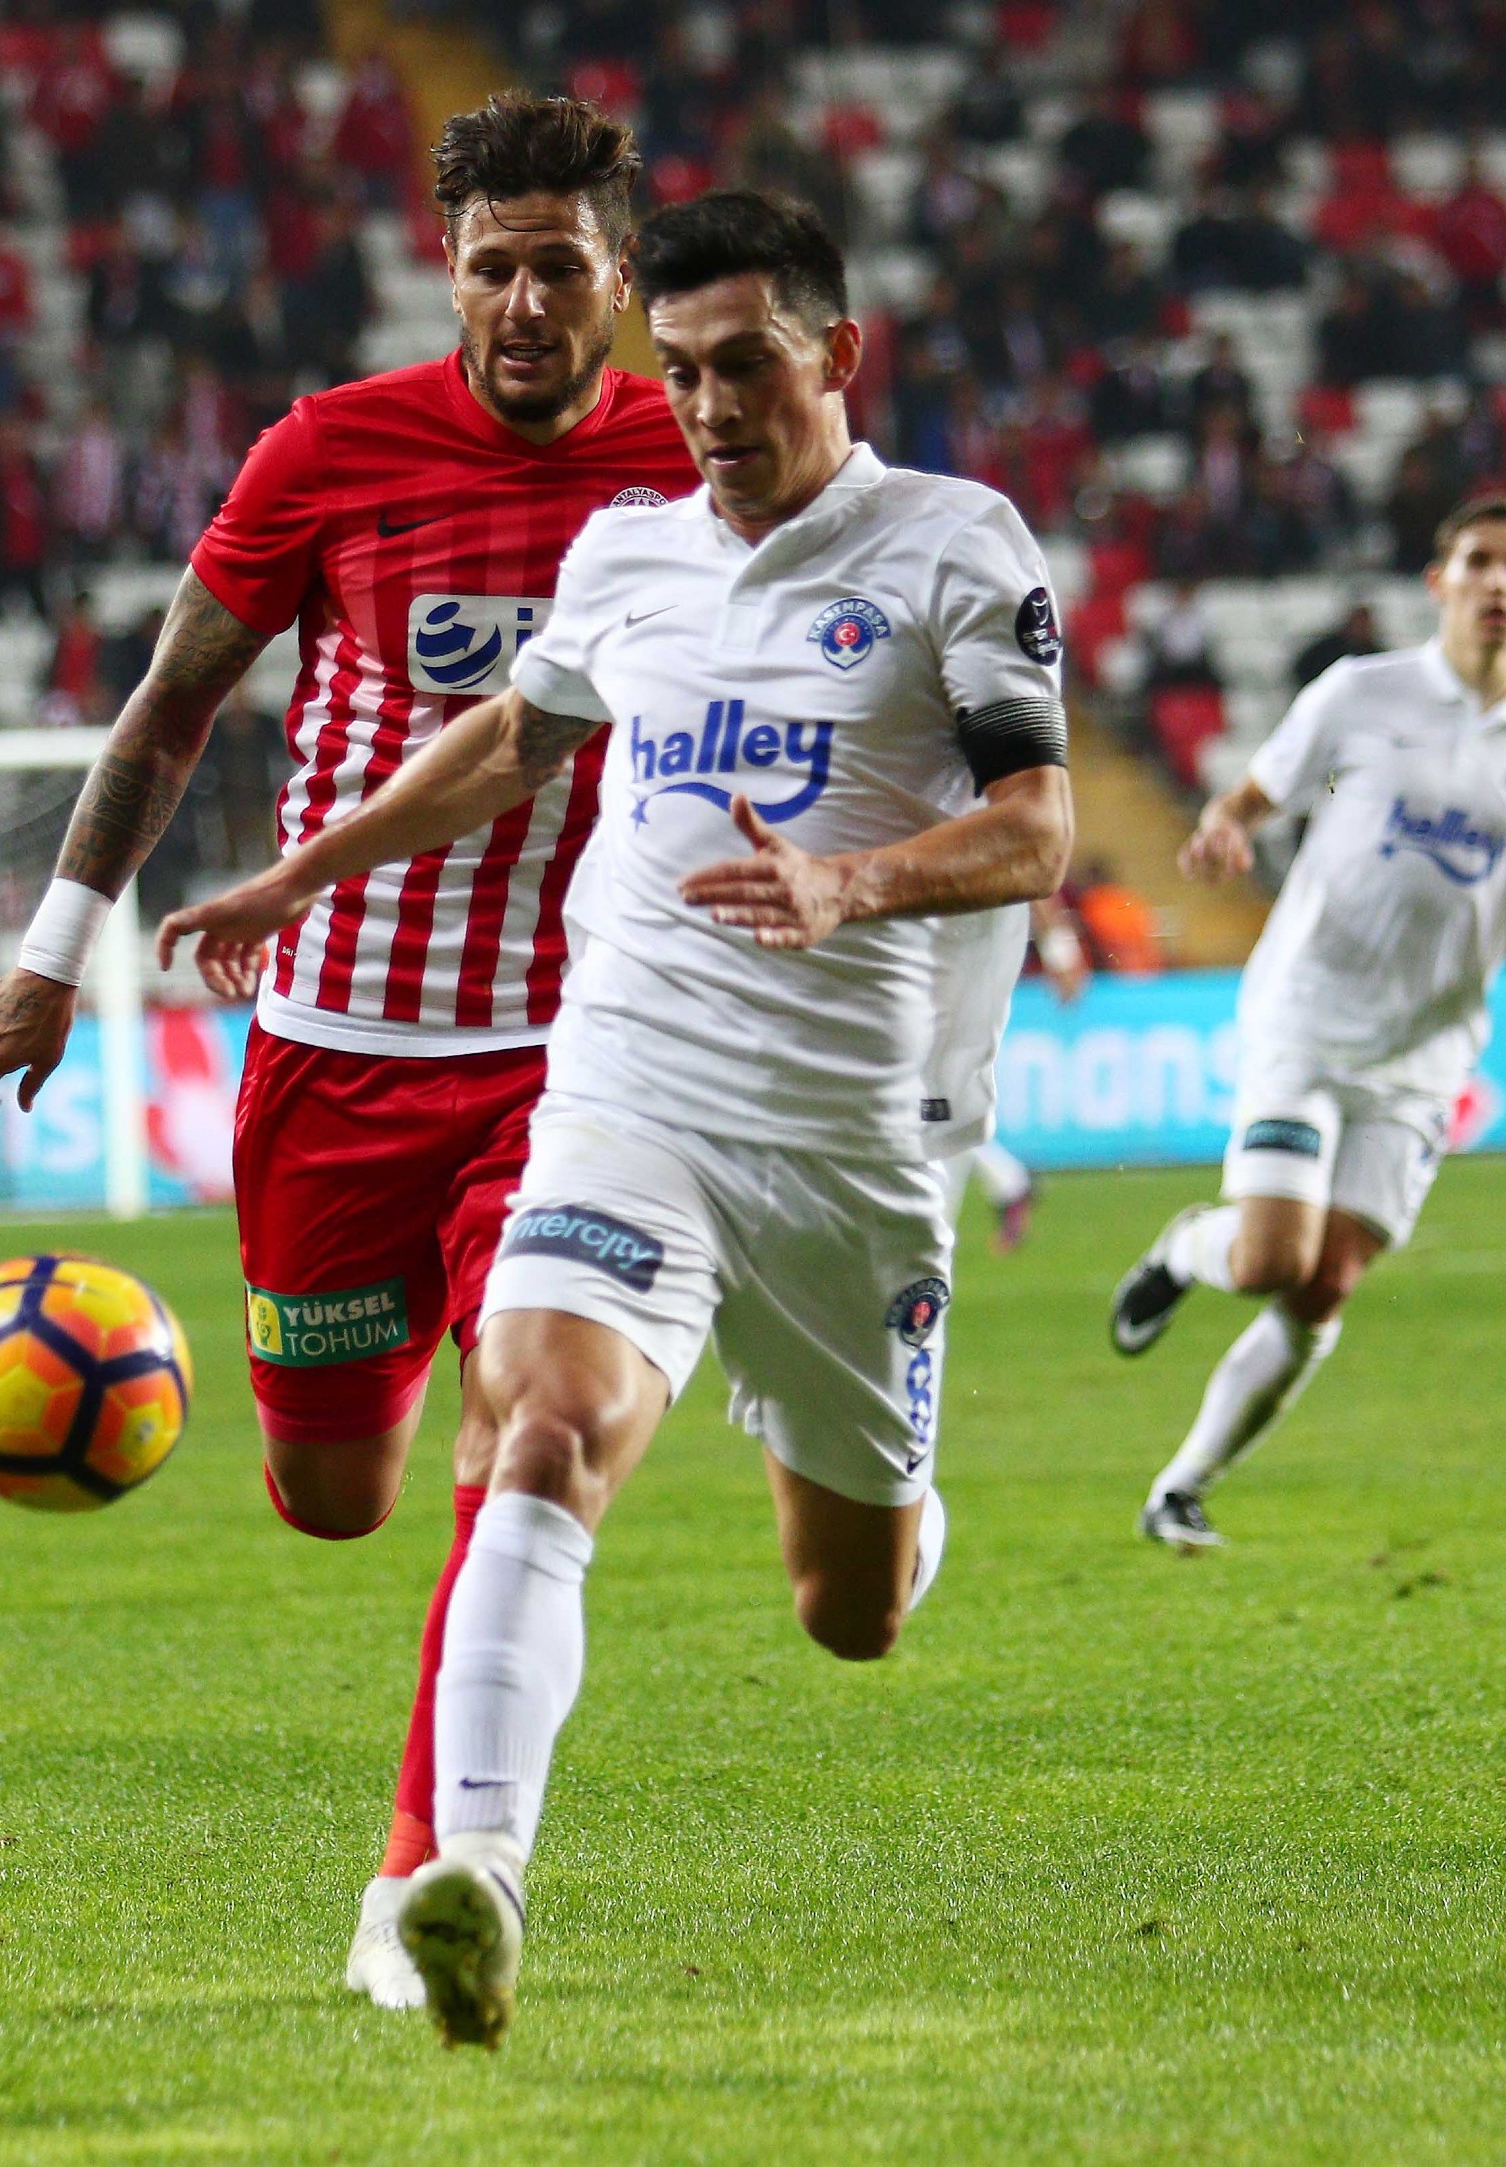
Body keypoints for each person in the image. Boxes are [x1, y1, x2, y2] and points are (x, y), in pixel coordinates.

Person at [155, 190, 1074, 2048]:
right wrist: (302, 873)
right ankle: (472, 1879)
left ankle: (901, 1507)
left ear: (839, 354)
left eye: (749, 366)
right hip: (629, 1091)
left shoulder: (953, 544)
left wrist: (851, 882)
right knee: (544, 1429)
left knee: (850, 1608)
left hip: (847, 1143)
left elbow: (1040, 826)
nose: (713, 407)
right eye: (687, 373)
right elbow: (510, 742)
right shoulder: (629, 552)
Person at [0, 95, 698, 2011]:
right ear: (445, 269)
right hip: (337, 1045)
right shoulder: (330, 450)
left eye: (561, 266)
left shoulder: (691, 454)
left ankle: (429, 1873)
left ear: (620, 276)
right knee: (331, 1493)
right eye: (492, 265)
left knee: (527, 1440)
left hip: (580, 1057)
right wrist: (50, 955)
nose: (525, 301)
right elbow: (168, 707)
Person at [1111, 494, 1506, 1550]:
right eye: (1480, 560)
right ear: (1439, 582)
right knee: (1268, 1261)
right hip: (1309, 1021)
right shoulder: (1363, 695)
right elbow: (1257, 793)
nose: (1499, 583)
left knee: (1326, 1283)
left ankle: (1180, 1486)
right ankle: (1186, 1246)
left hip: (1426, 1055)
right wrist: (1225, 829)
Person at [944, 897, 1090, 1252]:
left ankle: (932, 1243)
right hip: (945, 972)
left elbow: (1038, 880)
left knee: (933, 1104)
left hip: (959, 977)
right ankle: (1007, 1181)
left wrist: (1061, 955)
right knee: (940, 1107)